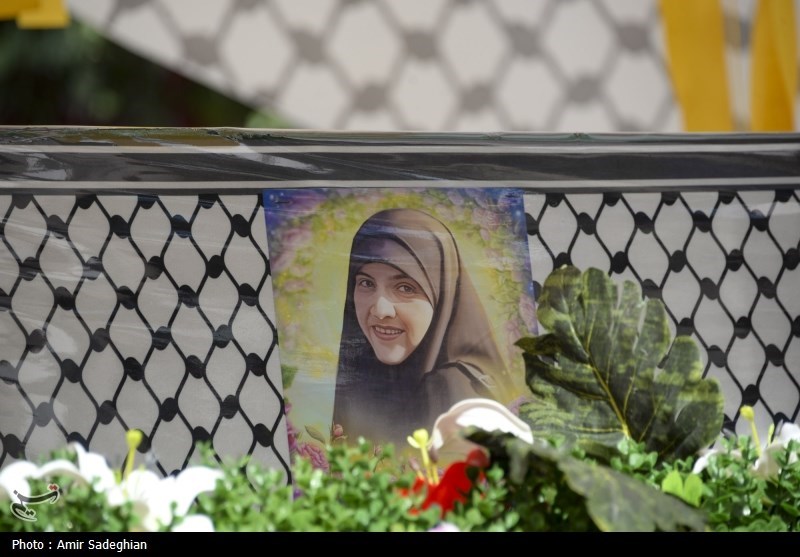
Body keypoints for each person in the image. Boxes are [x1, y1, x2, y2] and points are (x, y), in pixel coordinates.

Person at [332, 208, 511, 446]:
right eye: (366, 283)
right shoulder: (367, 378)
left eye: (405, 288)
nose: (381, 310)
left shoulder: (451, 389)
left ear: (441, 295)